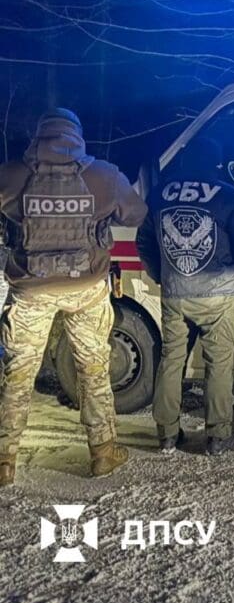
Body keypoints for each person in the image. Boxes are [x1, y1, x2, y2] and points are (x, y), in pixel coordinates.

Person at [0, 108, 147, 485]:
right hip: (85, 289)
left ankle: (4, 460)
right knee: (93, 369)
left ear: (39, 136)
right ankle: (103, 452)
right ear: (77, 135)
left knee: (17, 373)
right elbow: (135, 214)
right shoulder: (104, 176)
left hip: (31, 290)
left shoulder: (11, 175)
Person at [136, 137, 234, 457]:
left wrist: (162, 275)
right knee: (218, 364)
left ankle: (167, 435)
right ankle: (218, 436)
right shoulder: (230, 195)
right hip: (218, 296)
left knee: (171, 360)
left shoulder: (159, 194)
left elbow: (144, 241)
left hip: (175, 293)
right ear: (217, 164)